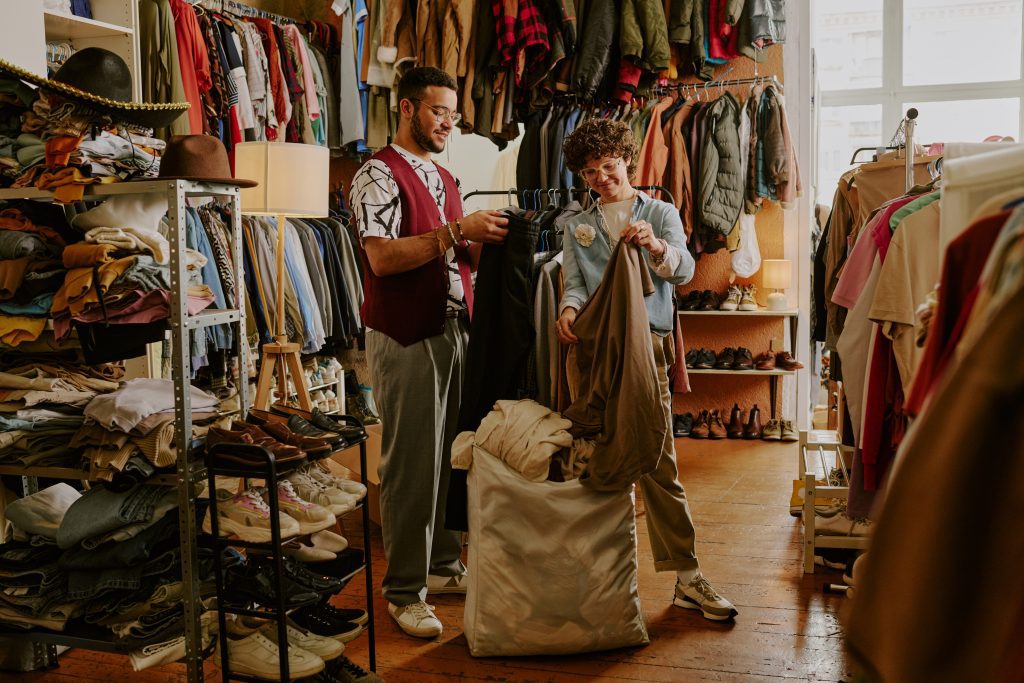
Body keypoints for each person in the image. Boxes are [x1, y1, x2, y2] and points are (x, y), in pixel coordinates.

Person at [556, 118, 738, 621]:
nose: (602, 178)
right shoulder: (576, 225)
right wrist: (568, 309)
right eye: (590, 172)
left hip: (648, 348)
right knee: (592, 458)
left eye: (609, 166)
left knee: (658, 461)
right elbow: (575, 282)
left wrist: (656, 246)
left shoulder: (659, 212)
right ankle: (596, 584)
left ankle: (687, 576)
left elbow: (682, 270)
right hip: (594, 354)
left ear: (627, 160)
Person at [349, 67, 509, 639]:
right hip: (405, 332)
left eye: (455, 114)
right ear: (409, 109)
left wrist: (489, 242)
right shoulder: (376, 173)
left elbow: (456, 257)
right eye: (440, 111)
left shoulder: (445, 176)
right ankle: (404, 590)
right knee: (411, 463)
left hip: (453, 326)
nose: (449, 122)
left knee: (450, 454)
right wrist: (456, 232)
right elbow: (383, 260)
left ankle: (442, 566)